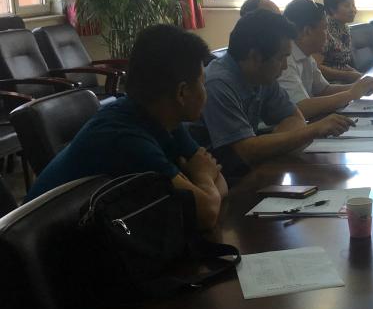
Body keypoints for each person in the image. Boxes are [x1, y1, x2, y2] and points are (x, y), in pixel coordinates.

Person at [26, 25, 226, 231]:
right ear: (182, 93)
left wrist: (204, 185)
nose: (205, 92)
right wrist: (203, 176)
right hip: (47, 244)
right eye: (203, 83)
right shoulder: (126, 140)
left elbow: (220, 184)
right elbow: (207, 212)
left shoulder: (163, 117)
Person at [200, 9, 353, 176]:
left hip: (254, 169)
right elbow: (245, 150)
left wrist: (269, 146)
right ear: (255, 57)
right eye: (281, 58)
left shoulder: (261, 75)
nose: (285, 66)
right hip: (222, 179)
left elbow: (295, 118)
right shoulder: (218, 84)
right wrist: (313, 130)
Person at [280, 0, 373, 120]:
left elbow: (324, 90)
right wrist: (350, 94)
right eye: (325, 29)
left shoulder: (306, 54)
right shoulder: (284, 60)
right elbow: (301, 108)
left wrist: (359, 87)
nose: (328, 35)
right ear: (307, 31)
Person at [319, 0, 361, 83]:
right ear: (332, 9)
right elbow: (316, 67)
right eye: (347, 6)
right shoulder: (324, 30)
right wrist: (347, 75)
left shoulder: (345, 28)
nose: (353, 10)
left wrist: (357, 74)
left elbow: (341, 63)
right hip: (329, 84)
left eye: (353, 5)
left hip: (345, 79)